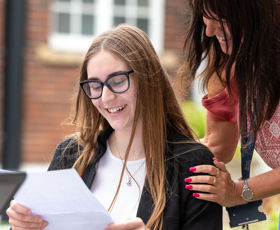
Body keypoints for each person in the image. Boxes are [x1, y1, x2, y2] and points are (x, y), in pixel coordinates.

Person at [6, 24, 222, 230]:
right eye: (95, 85)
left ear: (147, 78)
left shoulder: (193, 165)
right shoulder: (70, 155)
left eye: (118, 81)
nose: (106, 97)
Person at [179, 0, 280, 209]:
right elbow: (218, 147)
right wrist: (159, 153)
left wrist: (238, 192)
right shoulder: (230, 61)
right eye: (205, 17)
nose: (208, 31)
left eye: (221, 20)